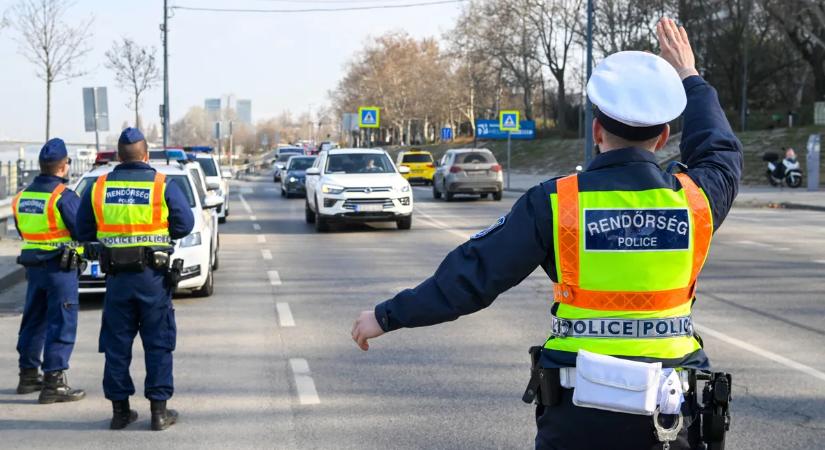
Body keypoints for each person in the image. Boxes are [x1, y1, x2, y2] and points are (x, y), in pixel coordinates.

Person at [351, 18, 742, 450]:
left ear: (596, 131)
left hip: (579, 413)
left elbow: (472, 275)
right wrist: (690, 78)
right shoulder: (697, 201)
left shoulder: (555, 204)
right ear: (665, 135)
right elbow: (718, 148)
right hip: (674, 414)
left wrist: (387, 316)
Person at [76, 128, 194, 430]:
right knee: (158, 344)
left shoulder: (99, 186)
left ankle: (120, 412)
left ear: (119, 156)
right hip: (153, 278)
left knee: (116, 345)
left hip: (116, 280)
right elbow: (184, 223)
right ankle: (158, 413)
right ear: (145, 155)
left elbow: (84, 229)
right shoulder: (160, 184)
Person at [12, 138, 86, 404]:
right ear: (63, 167)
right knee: (61, 321)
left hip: (34, 268)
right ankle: (54, 381)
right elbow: (82, 230)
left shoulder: (22, 196)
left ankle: (28, 375)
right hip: (60, 268)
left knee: (33, 319)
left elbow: (23, 231)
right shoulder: (63, 197)